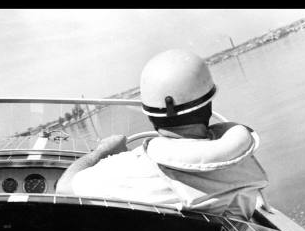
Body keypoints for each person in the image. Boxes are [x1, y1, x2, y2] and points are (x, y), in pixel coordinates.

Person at [56, 49, 268, 220]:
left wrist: (103, 150)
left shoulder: (137, 171)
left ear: (150, 114)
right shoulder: (241, 159)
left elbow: (64, 188)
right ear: (208, 104)